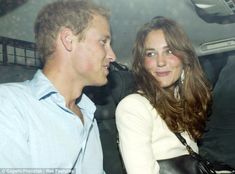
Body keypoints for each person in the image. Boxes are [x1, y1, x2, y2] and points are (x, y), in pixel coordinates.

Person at [0, 1, 116, 174]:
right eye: (103, 42)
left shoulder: (87, 113)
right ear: (68, 40)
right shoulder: (9, 104)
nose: (112, 56)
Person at [115, 16, 212, 174]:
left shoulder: (184, 102)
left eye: (169, 51)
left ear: (184, 58)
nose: (161, 62)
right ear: (142, 63)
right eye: (151, 54)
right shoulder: (134, 107)